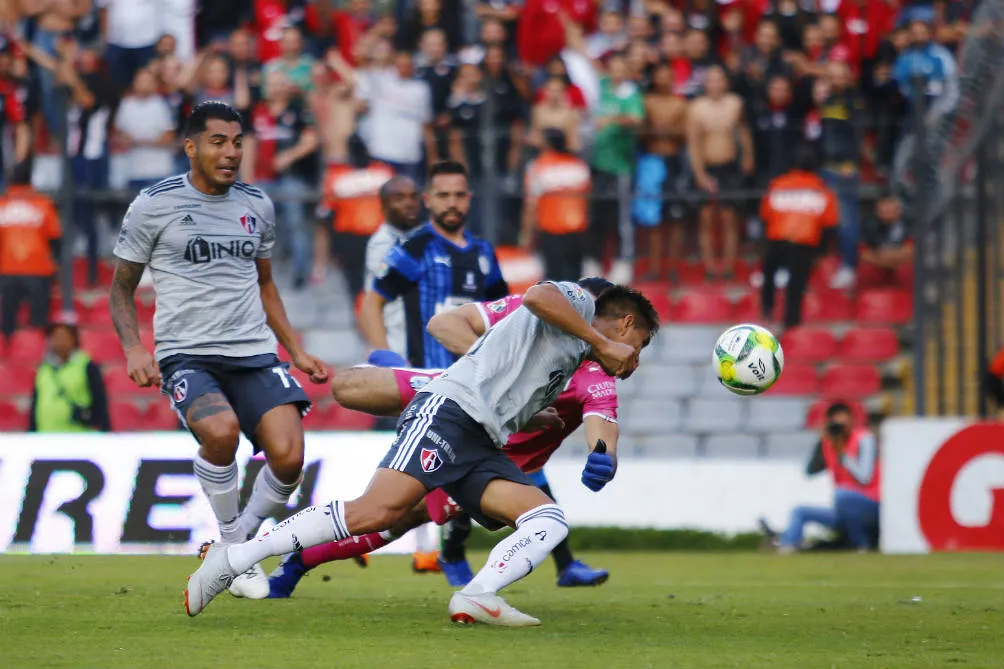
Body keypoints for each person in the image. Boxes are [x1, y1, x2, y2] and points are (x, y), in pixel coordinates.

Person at [185, 282, 657, 625]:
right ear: (627, 323)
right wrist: (602, 341)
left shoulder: (571, 355)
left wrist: (536, 419)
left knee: (547, 519)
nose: (636, 356)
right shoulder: (578, 300)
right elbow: (538, 296)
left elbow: (518, 381)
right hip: (448, 414)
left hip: (481, 441)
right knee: (375, 512)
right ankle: (230, 559)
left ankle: (478, 595)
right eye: (641, 344)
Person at [266, 278, 618, 597]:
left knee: (396, 516)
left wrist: (603, 455)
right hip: (457, 394)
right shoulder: (528, 314)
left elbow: (602, 424)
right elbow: (443, 323)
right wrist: (492, 368)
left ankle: (295, 560)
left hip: (494, 455)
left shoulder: (594, 373)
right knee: (348, 386)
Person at [109, 101, 330, 600]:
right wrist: (133, 348)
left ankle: (234, 546)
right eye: (217, 142)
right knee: (221, 431)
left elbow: (266, 284)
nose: (230, 153)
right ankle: (236, 549)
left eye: (237, 142)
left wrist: (295, 349)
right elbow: (121, 288)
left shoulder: (258, 204)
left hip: (253, 351)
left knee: (291, 457)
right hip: (187, 352)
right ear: (190, 147)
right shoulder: (153, 203)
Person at [358, 159, 510, 577]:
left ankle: (448, 551)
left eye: (459, 194)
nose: (452, 202)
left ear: (470, 199)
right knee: (422, 472)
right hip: (428, 380)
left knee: (466, 468)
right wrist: (381, 353)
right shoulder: (415, 248)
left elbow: (506, 315)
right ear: (430, 200)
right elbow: (373, 300)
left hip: (474, 382)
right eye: (443, 194)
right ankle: (365, 536)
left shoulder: (482, 253)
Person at [764, 402, 881, 552]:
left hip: (870, 503)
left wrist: (843, 454)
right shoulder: (829, 443)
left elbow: (865, 477)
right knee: (799, 511)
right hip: (843, 508)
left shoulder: (865, 438)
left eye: (843, 424)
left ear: (851, 422)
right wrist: (821, 441)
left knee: (841, 495)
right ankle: (787, 543)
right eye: (835, 425)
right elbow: (810, 470)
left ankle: (861, 543)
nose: (839, 429)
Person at [759, 142, 839, 331]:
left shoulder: (777, 185)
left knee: (769, 274)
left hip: (777, 241)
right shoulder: (822, 190)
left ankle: (767, 310)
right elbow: (829, 226)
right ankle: (791, 324)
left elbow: (765, 217)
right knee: (796, 284)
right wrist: (822, 252)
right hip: (805, 244)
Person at [686, 65, 754, 281]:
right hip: (708, 165)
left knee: (729, 218)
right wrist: (700, 174)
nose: (716, 84)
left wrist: (748, 156)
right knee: (706, 218)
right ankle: (709, 267)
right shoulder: (696, 108)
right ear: (706, 84)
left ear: (725, 82)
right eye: (711, 80)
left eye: (720, 80)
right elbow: (694, 144)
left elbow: (743, 131)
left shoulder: (735, 104)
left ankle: (728, 266)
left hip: (729, 166)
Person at [313, 134, 395, 294]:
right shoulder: (383, 172)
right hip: (352, 239)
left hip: (376, 237)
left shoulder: (382, 172)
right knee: (360, 287)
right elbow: (326, 215)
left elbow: (324, 215)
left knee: (374, 288)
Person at [520, 128, 592, 283]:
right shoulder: (579, 166)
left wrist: (526, 234)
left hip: (551, 231)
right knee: (575, 281)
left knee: (553, 282)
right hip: (577, 231)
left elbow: (531, 205)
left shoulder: (538, 166)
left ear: (547, 144)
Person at [362, 176, 422, 357]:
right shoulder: (382, 244)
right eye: (399, 199)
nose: (409, 203)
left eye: (413, 197)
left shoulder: (421, 237)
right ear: (384, 206)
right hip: (397, 340)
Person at [29, 312, 111, 433]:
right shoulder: (43, 369)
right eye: (53, 336)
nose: (57, 341)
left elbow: (100, 403)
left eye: (62, 335)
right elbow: (35, 405)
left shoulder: (87, 366)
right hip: (46, 439)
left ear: (73, 338)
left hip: (78, 440)